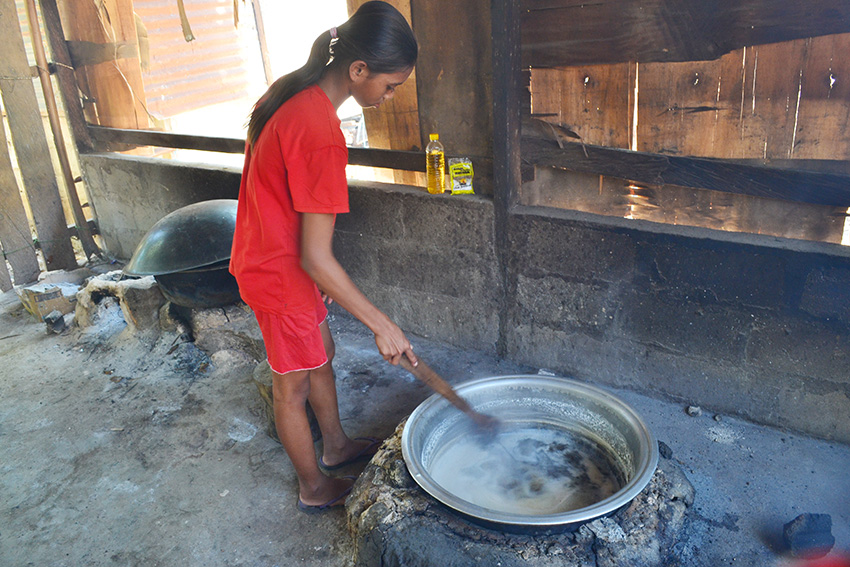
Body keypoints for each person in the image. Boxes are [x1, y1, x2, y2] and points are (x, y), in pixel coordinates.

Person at [229, 1, 419, 513]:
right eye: (390, 85)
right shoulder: (319, 132)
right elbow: (316, 258)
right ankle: (312, 486)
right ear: (359, 70)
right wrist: (382, 324)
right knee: (290, 386)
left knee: (322, 355)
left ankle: (335, 445)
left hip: (272, 256)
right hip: (278, 272)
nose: (390, 95)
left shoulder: (291, 92)